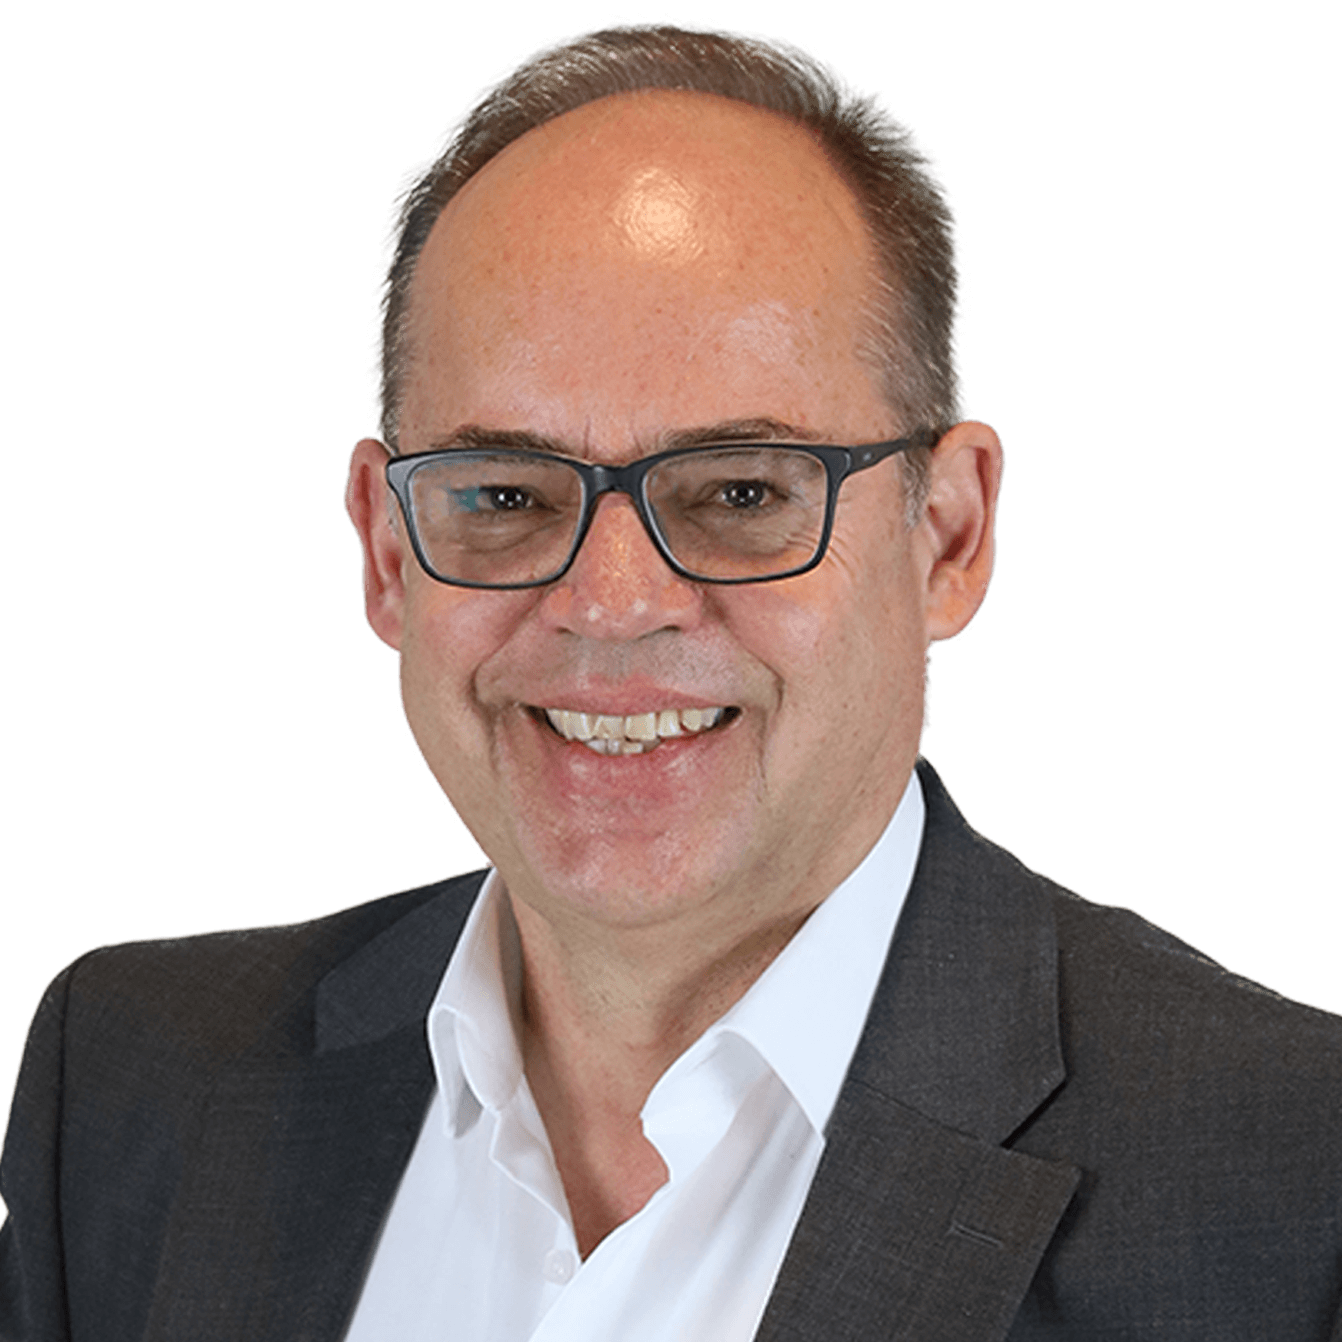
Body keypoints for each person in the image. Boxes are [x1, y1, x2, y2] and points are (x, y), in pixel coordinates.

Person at [2, 20, 1338, 1342]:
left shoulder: (1296, 1183)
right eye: (506, 493)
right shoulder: (131, 1086)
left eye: (741, 491)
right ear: (385, 549)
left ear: (948, 535)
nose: (611, 602)